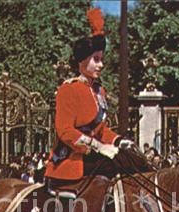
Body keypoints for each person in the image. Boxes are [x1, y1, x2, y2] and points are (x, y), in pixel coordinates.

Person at [44, 8, 149, 189]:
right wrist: (98, 147)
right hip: (71, 160)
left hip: (92, 156)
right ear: (82, 61)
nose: (101, 65)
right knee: (122, 164)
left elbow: (100, 130)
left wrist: (119, 141)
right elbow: (65, 131)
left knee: (135, 159)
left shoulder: (99, 91)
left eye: (101, 59)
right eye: (96, 59)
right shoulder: (69, 89)